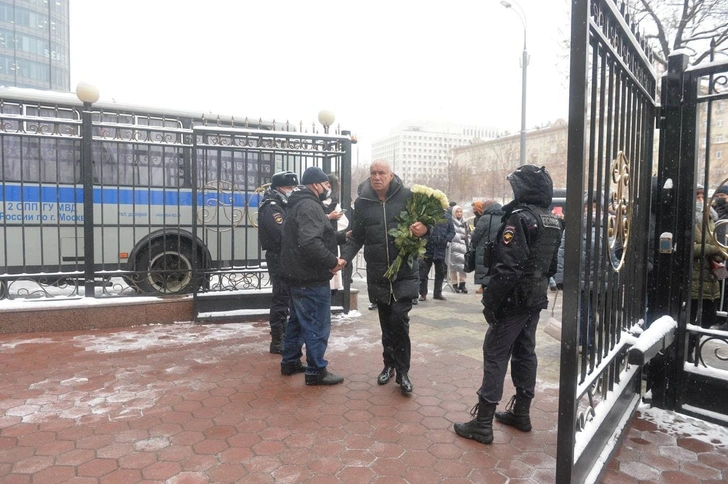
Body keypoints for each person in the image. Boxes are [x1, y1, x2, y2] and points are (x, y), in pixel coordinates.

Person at [454, 165, 562, 445]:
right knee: (525, 352)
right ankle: (521, 412)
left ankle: (482, 422)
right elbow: (551, 266)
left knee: (495, 353)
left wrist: (490, 302)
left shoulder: (520, 218)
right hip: (535, 297)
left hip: (514, 298)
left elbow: (508, 269)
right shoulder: (550, 219)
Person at [341, 160, 428, 394]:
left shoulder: (409, 196)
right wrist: (344, 258)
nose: (377, 177)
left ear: (391, 175)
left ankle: (403, 371)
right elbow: (356, 236)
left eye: (382, 173)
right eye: (373, 173)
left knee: (400, 320)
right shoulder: (362, 203)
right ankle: (388, 365)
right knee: (386, 324)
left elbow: (433, 225)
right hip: (378, 273)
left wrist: (425, 229)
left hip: (404, 272)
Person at [280, 166, 347, 385]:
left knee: (298, 321)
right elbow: (309, 242)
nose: (328, 188)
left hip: (297, 275)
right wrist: (332, 261)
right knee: (317, 323)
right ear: (316, 185)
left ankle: (290, 362)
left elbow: (314, 236)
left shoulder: (301, 203)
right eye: (326, 184)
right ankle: (316, 371)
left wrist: (341, 237)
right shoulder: (310, 206)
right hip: (310, 278)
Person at [257, 170, 298, 354]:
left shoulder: (284, 203)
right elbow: (282, 233)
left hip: (287, 256)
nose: (293, 190)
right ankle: (277, 339)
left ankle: (286, 334)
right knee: (281, 297)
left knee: (288, 296)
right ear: (279, 187)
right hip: (278, 256)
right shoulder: (272, 206)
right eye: (290, 187)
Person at [688, 187, 727, 357]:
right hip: (694, 278)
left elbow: (716, 244)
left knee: (709, 317)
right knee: (690, 319)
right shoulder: (688, 219)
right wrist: (712, 249)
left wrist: (718, 254)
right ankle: (686, 352)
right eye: (697, 195)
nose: (700, 199)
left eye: (703, 195)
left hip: (710, 278)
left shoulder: (711, 218)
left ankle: (691, 346)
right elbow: (689, 247)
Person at [419, 208, 455, 301]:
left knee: (440, 272)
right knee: (424, 272)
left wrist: (446, 239)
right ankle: (423, 293)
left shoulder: (447, 217)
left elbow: (452, 232)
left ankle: (437, 293)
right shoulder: (427, 215)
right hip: (428, 248)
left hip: (440, 249)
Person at [322, 173, 349, 294]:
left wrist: (336, 219)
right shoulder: (315, 202)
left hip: (331, 240)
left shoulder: (334, 204)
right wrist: (329, 217)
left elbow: (345, 222)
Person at [470, 200, 503, 295]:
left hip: (485, 251)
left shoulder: (484, 218)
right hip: (500, 250)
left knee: (485, 273)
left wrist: (474, 247)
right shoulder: (505, 217)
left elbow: (476, 236)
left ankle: (487, 300)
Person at [449, 205, 470, 293]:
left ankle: (462, 284)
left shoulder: (465, 222)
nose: (459, 213)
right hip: (453, 247)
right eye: (457, 211)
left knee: (463, 266)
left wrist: (468, 242)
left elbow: (468, 233)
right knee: (453, 266)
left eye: (460, 211)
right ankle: (454, 284)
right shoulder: (450, 221)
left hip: (463, 247)